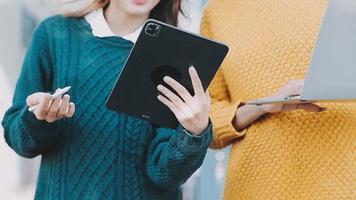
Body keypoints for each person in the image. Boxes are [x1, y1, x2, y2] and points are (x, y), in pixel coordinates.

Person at [1, 0, 213, 199]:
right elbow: (19, 140)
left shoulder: (176, 57)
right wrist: (38, 119)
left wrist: (193, 134)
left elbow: (166, 175)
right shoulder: (54, 35)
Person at [202, 0, 356, 199]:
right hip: (257, 187)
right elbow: (206, 127)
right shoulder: (217, 11)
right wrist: (262, 106)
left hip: (345, 181)